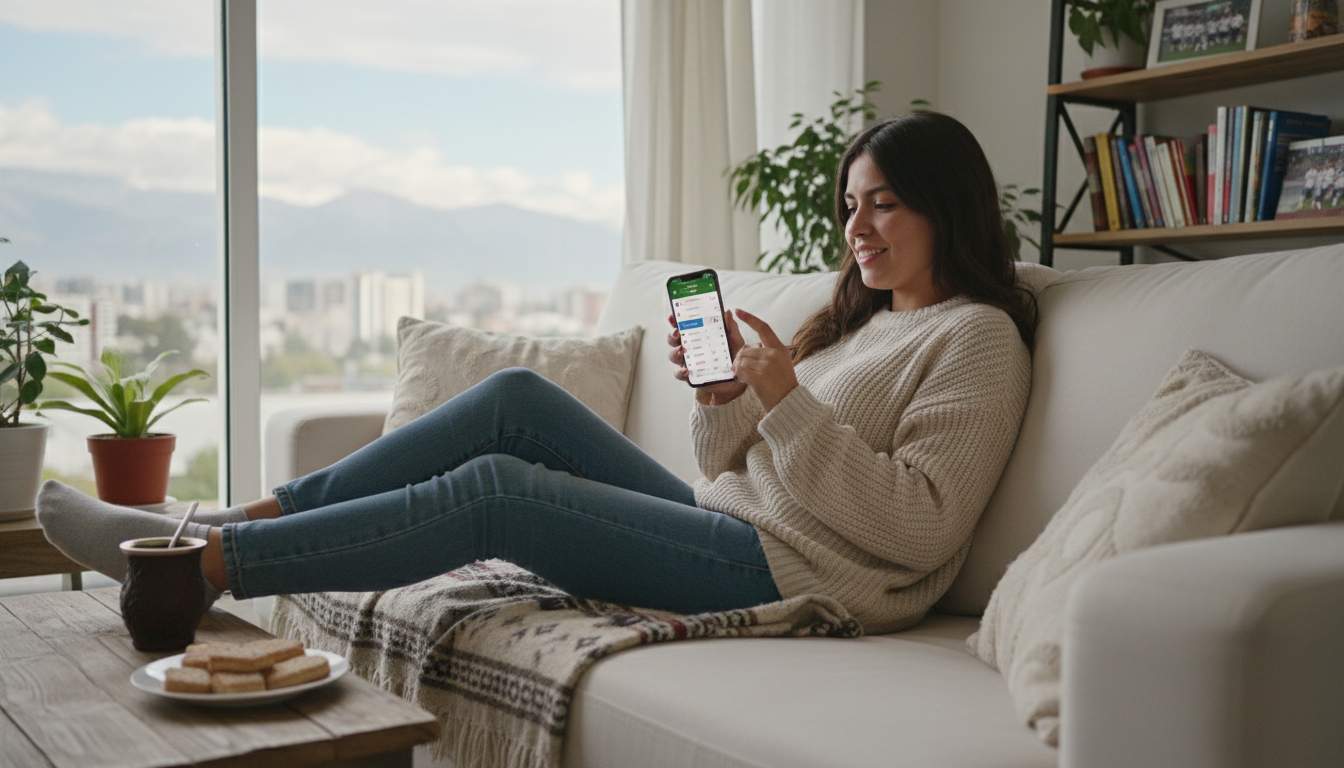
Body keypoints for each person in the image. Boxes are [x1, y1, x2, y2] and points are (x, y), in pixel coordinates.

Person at [37, 111, 1035, 634]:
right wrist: (725, 398)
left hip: (797, 577)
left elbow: (920, 527)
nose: (857, 227)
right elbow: (725, 465)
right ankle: (227, 521)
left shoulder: (977, 338)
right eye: (851, 205)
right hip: (729, 522)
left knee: (499, 494)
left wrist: (786, 402)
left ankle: (199, 571)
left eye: (884, 203)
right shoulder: (851, 324)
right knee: (515, 399)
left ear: (947, 207)